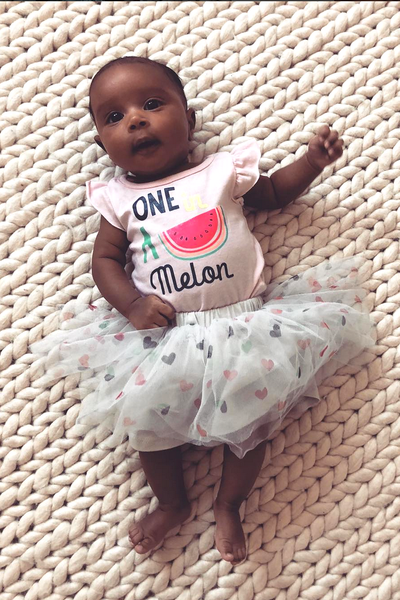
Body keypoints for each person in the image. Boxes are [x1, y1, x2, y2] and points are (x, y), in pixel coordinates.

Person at [30, 56, 373, 565]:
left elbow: (273, 193)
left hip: (245, 326)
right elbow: (104, 262)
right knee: (149, 426)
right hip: (167, 337)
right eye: (114, 117)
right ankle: (172, 503)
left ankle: (229, 503)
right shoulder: (119, 199)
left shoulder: (221, 172)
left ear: (188, 120)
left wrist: (311, 163)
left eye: (152, 104)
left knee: (253, 422)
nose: (136, 120)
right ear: (103, 145)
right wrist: (132, 305)